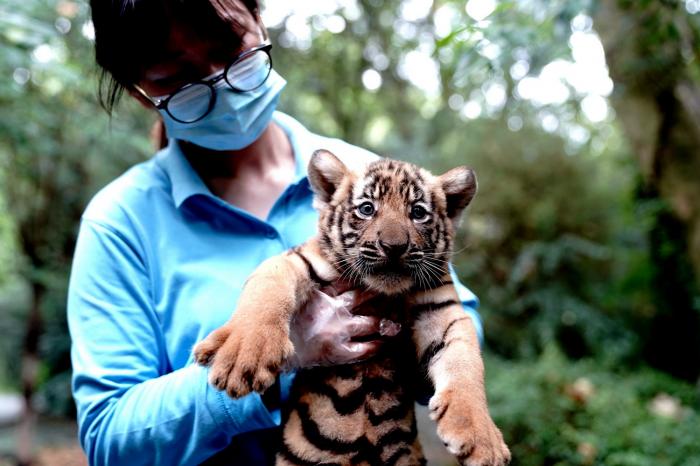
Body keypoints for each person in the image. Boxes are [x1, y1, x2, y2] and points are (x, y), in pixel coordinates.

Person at [67, 1, 483, 465]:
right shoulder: (118, 222)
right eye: (174, 76)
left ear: (260, 20)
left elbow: (450, 312)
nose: (218, 80)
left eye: (230, 47)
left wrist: (426, 360)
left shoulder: (361, 174)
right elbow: (109, 439)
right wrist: (274, 364)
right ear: (141, 92)